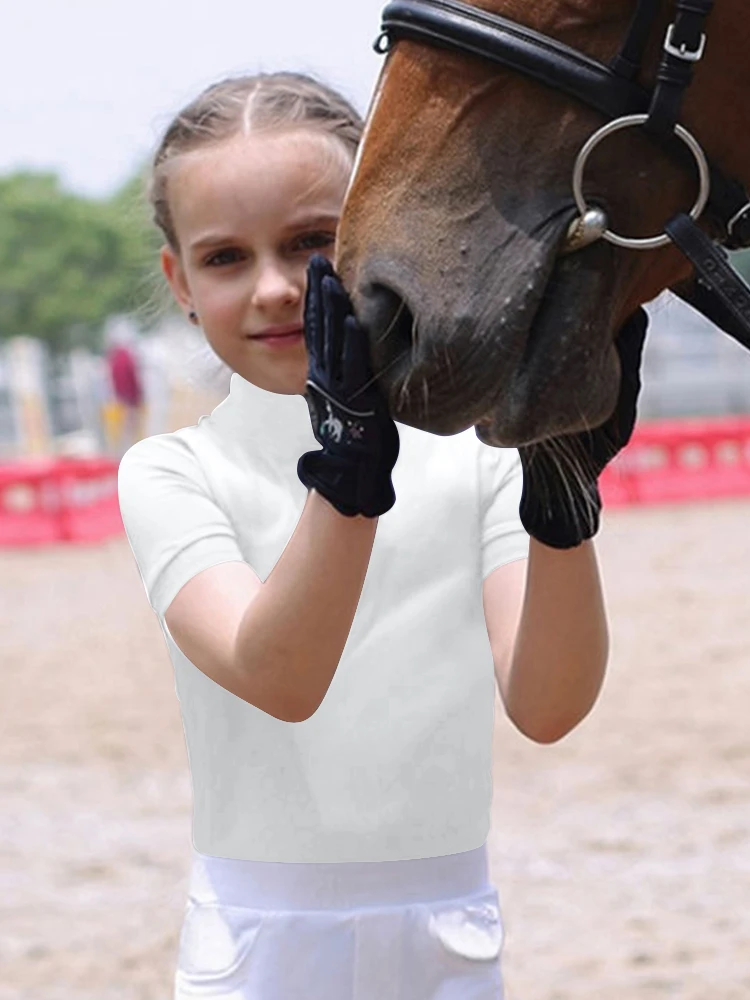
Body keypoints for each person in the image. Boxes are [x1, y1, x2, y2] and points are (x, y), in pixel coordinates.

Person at [117, 73, 646, 1000]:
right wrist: (350, 478)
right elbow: (282, 677)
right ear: (180, 282)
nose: (278, 287)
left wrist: (563, 505)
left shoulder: (478, 461)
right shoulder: (170, 473)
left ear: (376, 221)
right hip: (262, 945)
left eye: (311, 242)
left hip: (451, 935)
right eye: (227, 258)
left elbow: (549, 706)